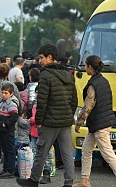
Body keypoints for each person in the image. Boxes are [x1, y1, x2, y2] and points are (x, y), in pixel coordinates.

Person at [16, 44, 77, 187]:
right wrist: (69, 114)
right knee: (67, 154)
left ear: (50, 57)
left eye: (42, 58)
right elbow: (74, 99)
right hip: (65, 121)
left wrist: (39, 121)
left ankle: (33, 180)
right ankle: (69, 183)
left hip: (50, 121)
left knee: (41, 151)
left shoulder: (45, 75)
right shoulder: (68, 74)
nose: (40, 60)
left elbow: (42, 100)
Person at [73, 55, 116, 187]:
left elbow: (87, 107)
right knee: (86, 149)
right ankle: (85, 181)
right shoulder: (104, 81)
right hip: (99, 123)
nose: (85, 68)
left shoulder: (93, 84)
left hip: (99, 124)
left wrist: (79, 122)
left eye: (86, 66)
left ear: (90, 67)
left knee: (107, 153)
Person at [0, 63, 21, 165]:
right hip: (9, 115)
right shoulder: (12, 86)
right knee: (9, 141)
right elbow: (18, 100)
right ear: (7, 73)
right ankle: (9, 161)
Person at [0, 83, 19, 179]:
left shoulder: (11, 103)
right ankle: (5, 169)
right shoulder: (3, 102)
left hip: (8, 131)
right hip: (2, 130)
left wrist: (5, 124)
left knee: (10, 150)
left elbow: (14, 117)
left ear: (11, 94)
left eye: (6, 93)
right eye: (2, 92)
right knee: (4, 149)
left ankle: (10, 169)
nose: (3, 94)